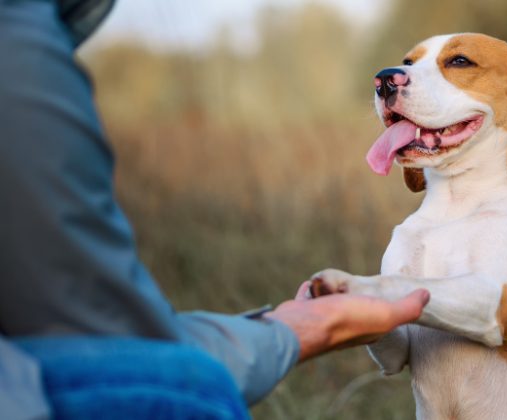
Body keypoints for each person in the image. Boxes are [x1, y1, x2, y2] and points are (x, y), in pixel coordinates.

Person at [0, 1, 430, 418]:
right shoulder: (18, 43)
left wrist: (289, 329)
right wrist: (304, 330)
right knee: (186, 393)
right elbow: (123, 351)